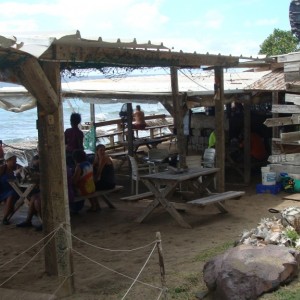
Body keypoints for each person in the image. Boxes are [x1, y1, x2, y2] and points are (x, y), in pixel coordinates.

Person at [16, 155, 42, 230]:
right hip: (39, 190)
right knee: (34, 198)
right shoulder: (33, 168)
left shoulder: (42, 168)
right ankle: (28, 220)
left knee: (36, 200)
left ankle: (43, 222)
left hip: (46, 191)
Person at [90, 144, 116, 212]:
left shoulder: (104, 158)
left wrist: (93, 180)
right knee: (90, 186)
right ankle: (96, 206)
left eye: (104, 150)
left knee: (90, 188)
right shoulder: (97, 158)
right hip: (105, 181)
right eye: (101, 150)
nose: (103, 152)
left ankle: (95, 206)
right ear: (97, 151)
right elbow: (92, 168)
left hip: (109, 183)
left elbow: (99, 172)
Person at [0, 151, 18, 225]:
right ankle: (5, 217)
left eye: (15, 160)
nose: (14, 162)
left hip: (14, 190)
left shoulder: (17, 167)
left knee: (11, 195)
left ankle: (5, 218)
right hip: (2, 191)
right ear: (7, 161)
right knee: (11, 195)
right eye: (13, 160)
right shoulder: (2, 169)